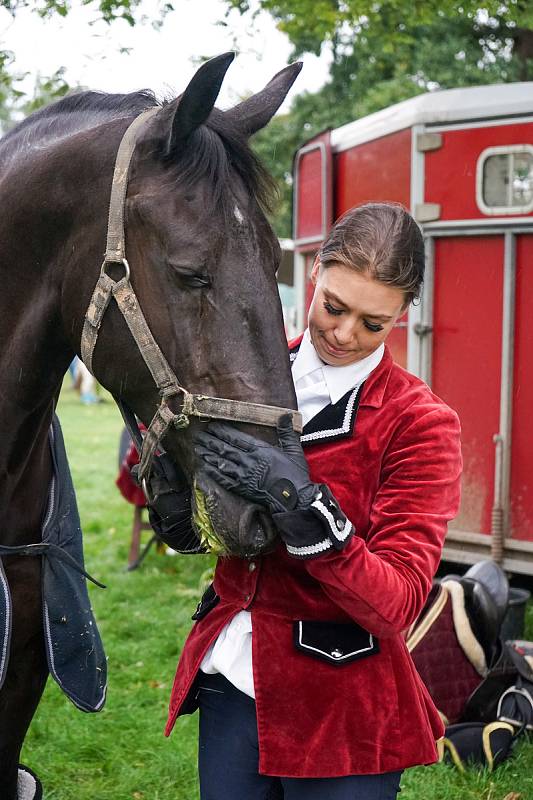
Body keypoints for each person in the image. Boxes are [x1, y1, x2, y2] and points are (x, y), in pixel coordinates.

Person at [164, 202, 462, 799]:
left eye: (374, 323)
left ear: (404, 315)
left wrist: (310, 513)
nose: (345, 334)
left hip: (345, 705)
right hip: (233, 674)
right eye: (333, 305)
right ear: (315, 270)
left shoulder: (419, 423)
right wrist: (165, 471)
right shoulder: (244, 371)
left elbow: (398, 604)